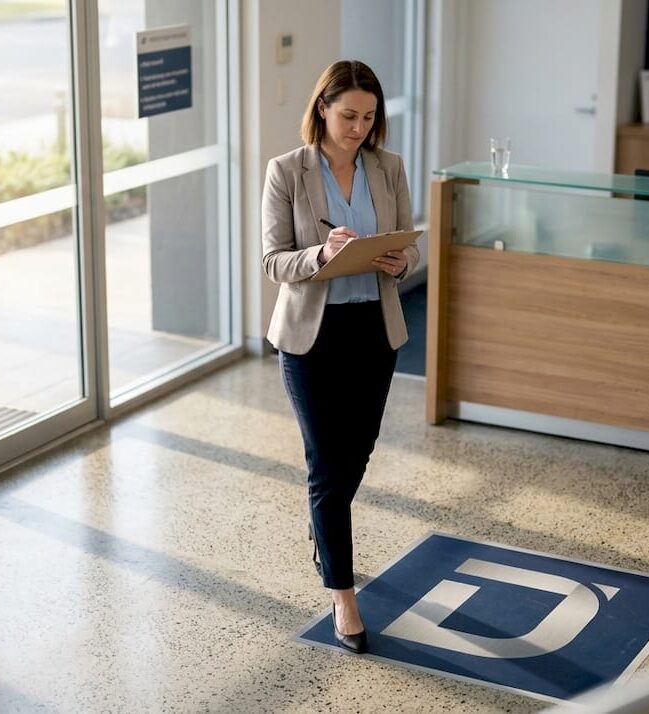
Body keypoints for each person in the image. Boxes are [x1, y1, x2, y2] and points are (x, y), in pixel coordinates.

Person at [261, 60, 418, 654]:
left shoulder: (389, 168)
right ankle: (343, 597)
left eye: (369, 117)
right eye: (348, 115)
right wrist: (320, 255)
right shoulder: (286, 172)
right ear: (322, 107)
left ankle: (324, 527)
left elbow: (407, 249)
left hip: (372, 332)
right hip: (311, 338)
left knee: (357, 451)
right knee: (327, 464)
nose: (358, 127)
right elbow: (274, 261)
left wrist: (402, 262)